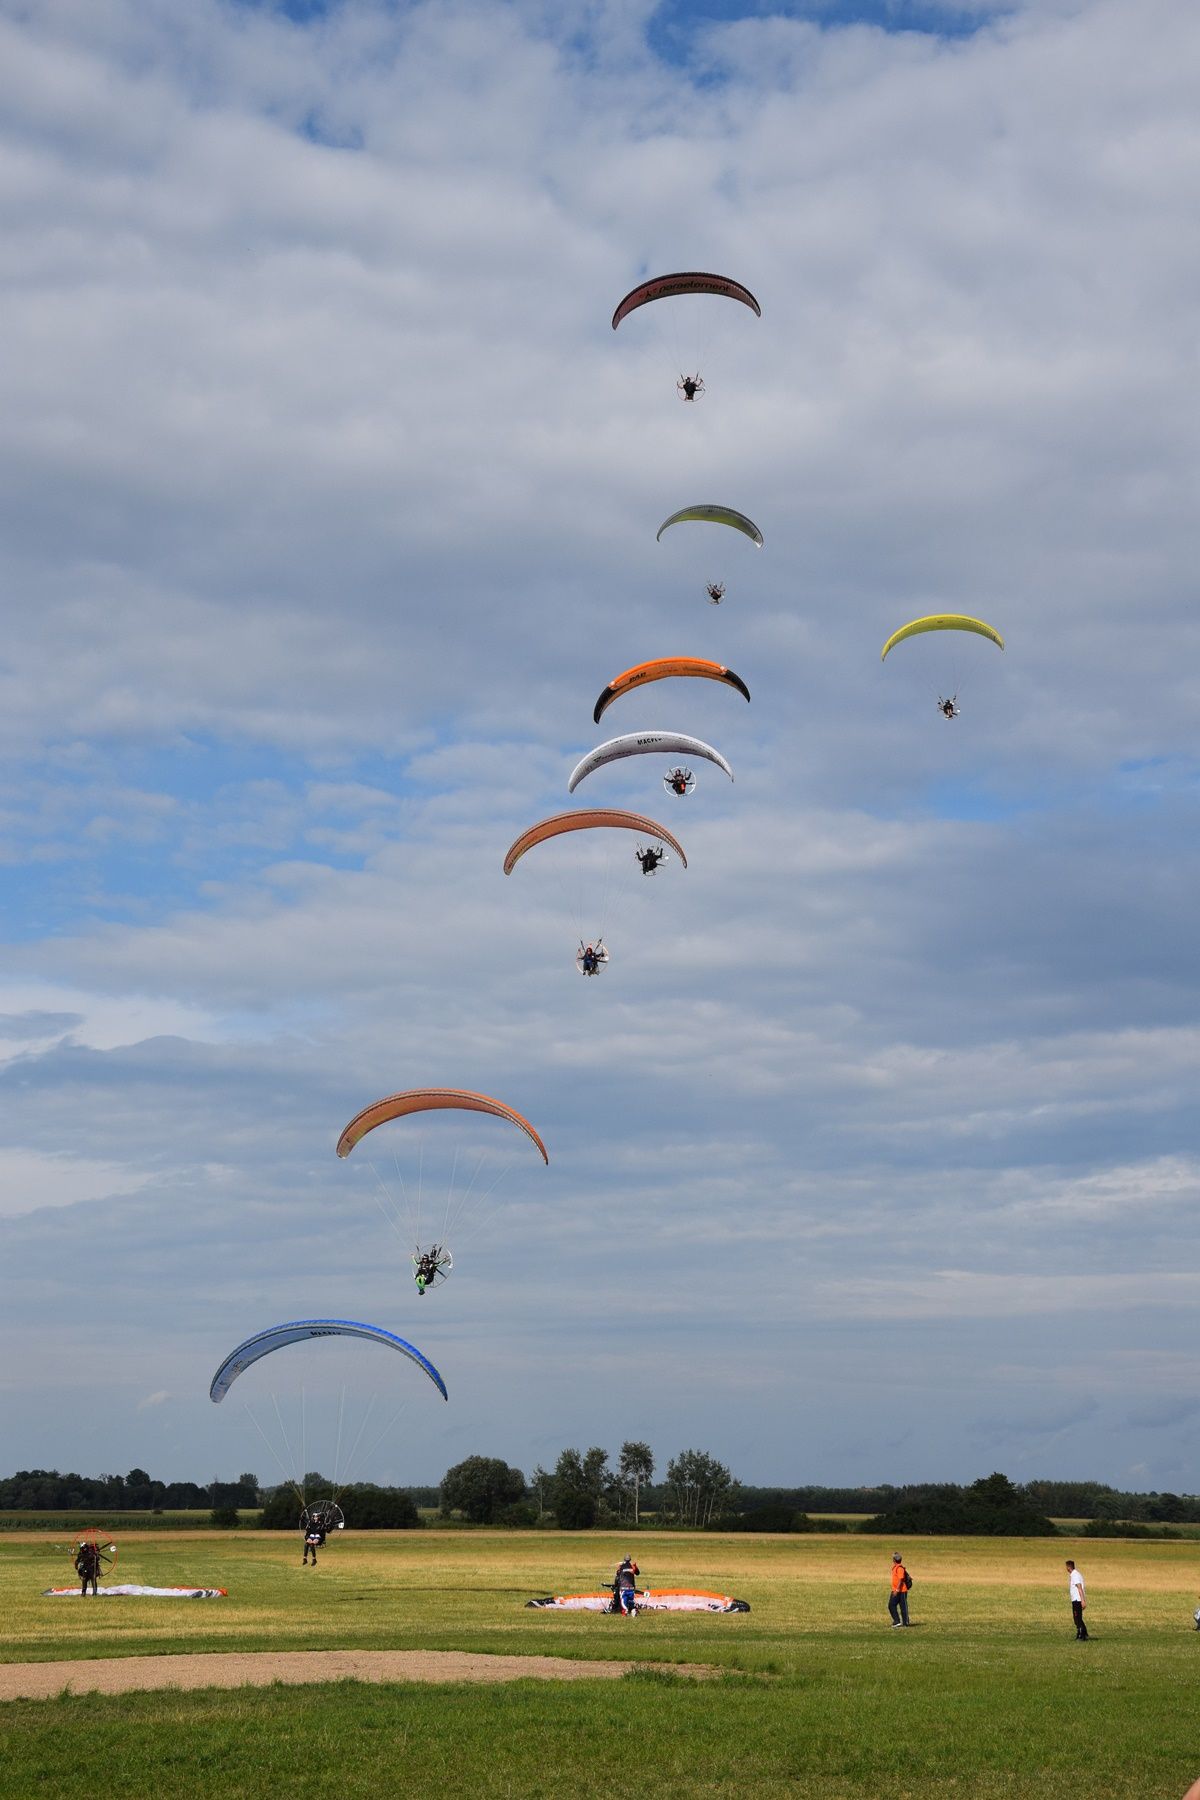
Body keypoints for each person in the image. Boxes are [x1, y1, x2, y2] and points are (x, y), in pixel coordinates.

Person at [1066, 1559, 1088, 1639]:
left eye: (1066, 1567)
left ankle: (1082, 1635)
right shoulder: (1074, 1574)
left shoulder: (1075, 1575)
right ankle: (1082, 1633)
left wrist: (1082, 1600)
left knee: (1077, 1618)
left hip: (1077, 1600)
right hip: (1076, 1600)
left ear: (1069, 1567)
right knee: (1077, 1618)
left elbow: (1079, 1588)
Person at [888, 1552, 911, 1627]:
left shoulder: (900, 1568)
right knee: (891, 1605)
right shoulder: (896, 1567)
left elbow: (901, 1579)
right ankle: (897, 1621)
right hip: (896, 1590)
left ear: (894, 1560)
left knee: (903, 1607)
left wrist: (897, 1590)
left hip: (901, 1591)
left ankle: (905, 1622)